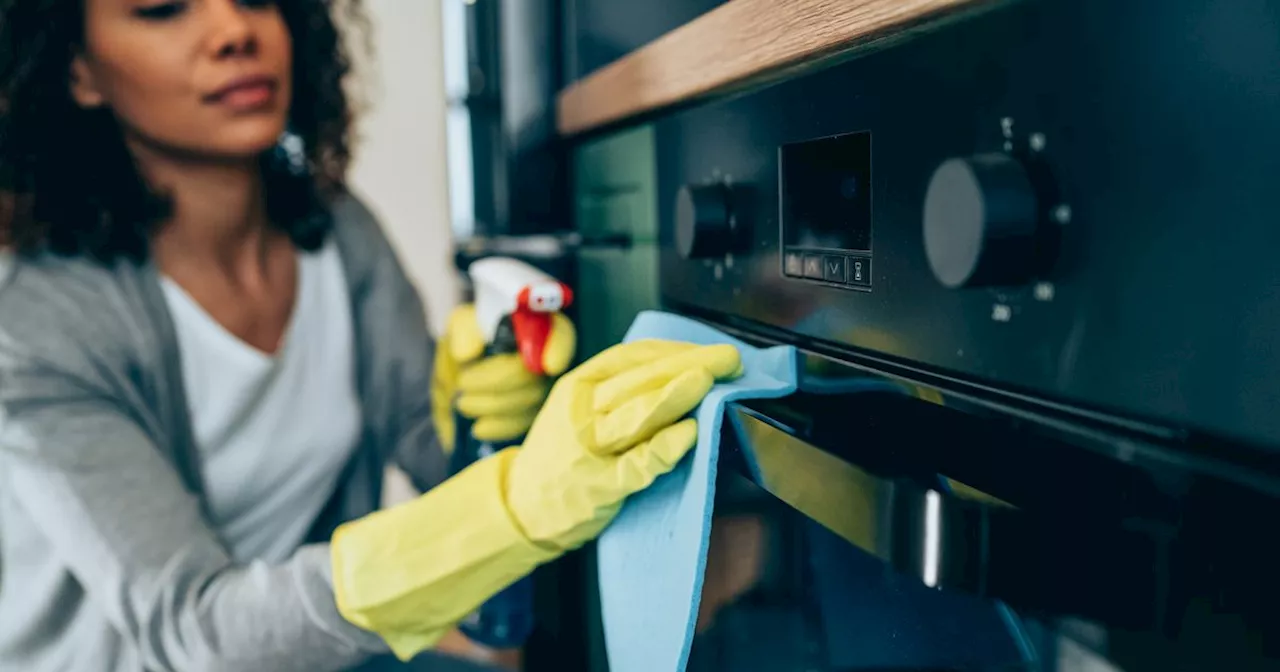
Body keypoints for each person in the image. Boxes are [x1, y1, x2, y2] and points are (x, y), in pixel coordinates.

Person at [0, 1, 742, 671]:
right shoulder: (34, 333)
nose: (234, 31)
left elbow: (429, 450)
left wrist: (488, 419)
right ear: (78, 71)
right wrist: (513, 505)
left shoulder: (335, 230)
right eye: (163, 9)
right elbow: (198, 633)